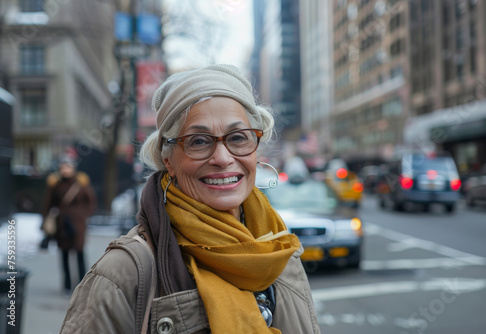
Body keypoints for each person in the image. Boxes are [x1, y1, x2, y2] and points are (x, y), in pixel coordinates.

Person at [59, 64, 320, 333]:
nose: (222, 158)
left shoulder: (282, 250)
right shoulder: (122, 274)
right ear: (168, 160)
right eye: (198, 141)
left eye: (238, 137)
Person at [42, 157, 96, 294]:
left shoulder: (81, 184)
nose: (65, 170)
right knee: (64, 254)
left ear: (73, 169)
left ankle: (82, 284)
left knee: (79, 253)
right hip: (62, 224)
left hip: (78, 224)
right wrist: (46, 221)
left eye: (68, 167)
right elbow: (48, 204)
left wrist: (82, 215)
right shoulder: (55, 185)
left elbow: (91, 203)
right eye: (63, 167)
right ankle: (66, 285)